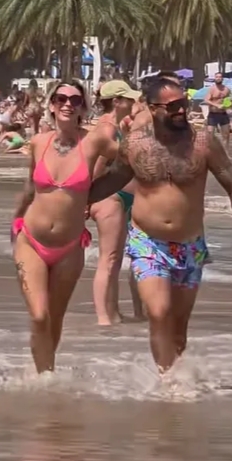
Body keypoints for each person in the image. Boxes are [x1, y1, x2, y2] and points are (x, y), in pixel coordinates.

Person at [88, 78, 232, 374]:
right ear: (153, 109)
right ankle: (167, 382)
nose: (181, 110)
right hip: (148, 242)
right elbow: (114, 180)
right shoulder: (135, 144)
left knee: (178, 328)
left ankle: (176, 377)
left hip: (190, 245)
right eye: (173, 106)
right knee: (159, 312)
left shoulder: (203, 142)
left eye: (184, 104)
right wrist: (77, 200)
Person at [11, 80, 120, 374]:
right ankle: (42, 376)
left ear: (83, 107)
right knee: (39, 316)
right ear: (51, 104)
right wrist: (15, 220)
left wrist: (95, 193)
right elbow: (30, 187)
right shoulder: (39, 142)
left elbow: (128, 162)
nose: (67, 104)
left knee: (55, 318)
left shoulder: (94, 141)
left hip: (69, 248)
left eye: (75, 99)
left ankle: (45, 376)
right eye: (61, 98)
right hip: (31, 240)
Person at [88, 80, 142, 325]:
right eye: (128, 99)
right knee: (108, 259)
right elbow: (95, 168)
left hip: (121, 197)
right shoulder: (106, 129)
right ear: (116, 101)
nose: (132, 103)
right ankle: (103, 317)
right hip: (110, 198)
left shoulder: (117, 126)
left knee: (115, 260)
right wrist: (87, 201)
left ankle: (114, 312)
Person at [204, 73, 232, 149]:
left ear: (222, 78)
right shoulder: (212, 89)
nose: (218, 78)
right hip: (213, 114)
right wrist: (216, 105)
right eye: (217, 77)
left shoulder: (226, 89)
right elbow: (206, 100)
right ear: (215, 78)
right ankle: (211, 151)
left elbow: (230, 100)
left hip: (223, 114)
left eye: (220, 77)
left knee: (226, 134)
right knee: (210, 134)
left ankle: (225, 152)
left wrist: (229, 104)